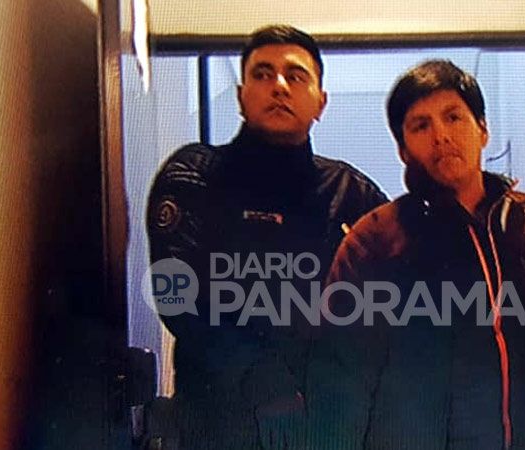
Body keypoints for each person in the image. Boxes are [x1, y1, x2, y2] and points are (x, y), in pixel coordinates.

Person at [325, 60, 525, 449]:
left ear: (482, 130)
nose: (441, 135)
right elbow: (340, 380)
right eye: (421, 126)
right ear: (403, 150)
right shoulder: (375, 243)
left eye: (453, 117)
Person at [145, 25, 387, 449]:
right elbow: (176, 300)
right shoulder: (194, 175)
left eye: (295, 76)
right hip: (219, 424)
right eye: (262, 74)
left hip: (323, 423)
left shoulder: (351, 192)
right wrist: (265, 381)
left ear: (320, 102)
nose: (279, 86)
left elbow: (406, 277)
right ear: (241, 96)